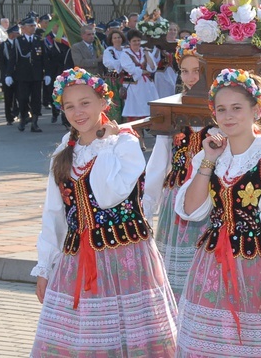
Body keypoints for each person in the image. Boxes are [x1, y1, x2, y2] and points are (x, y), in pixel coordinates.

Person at [30, 68, 178, 356]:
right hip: (77, 259)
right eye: (69, 106)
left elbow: (107, 194)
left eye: (85, 103)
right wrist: (45, 266)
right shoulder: (65, 149)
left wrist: (106, 145)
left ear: (104, 103)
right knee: (84, 339)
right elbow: (54, 213)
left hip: (125, 257)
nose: (78, 112)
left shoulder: (124, 143)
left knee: (127, 338)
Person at [174, 68, 261, 357]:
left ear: (256, 110)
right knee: (211, 344)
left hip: (257, 264)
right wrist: (208, 161)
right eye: (221, 109)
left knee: (254, 343)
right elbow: (190, 210)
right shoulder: (211, 154)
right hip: (211, 264)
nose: (228, 116)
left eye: (237, 108)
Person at [143, 35, 214, 300]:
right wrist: (148, 207)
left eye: (197, 71)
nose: (191, 77)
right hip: (175, 201)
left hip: (210, 201)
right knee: (175, 279)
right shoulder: (172, 109)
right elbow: (159, 161)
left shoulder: (223, 112)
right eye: (185, 71)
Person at [7, 18, 50, 133]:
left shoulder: (39, 40)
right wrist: (9, 74)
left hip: (36, 75)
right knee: (23, 98)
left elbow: (45, 58)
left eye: (34, 25)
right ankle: (23, 117)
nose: (33, 28)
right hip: (22, 75)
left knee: (36, 99)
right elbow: (12, 59)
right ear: (24, 28)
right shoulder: (18, 41)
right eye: (30, 26)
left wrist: (48, 74)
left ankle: (34, 123)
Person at [120, 30, 158, 121]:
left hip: (146, 85)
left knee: (148, 106)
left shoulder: (145, 51)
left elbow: (152, 68)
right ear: (129, 42)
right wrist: (143, 71)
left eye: (138, 40)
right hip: (133, 85)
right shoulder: (125, 53)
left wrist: (146, 54)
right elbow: (130, 69)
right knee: (135, 108)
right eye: (134, 41)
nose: (137, 43)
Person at [102, 28, 127, 123]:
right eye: (115, 38)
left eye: (119, 37)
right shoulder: (108, 51)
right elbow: (108, 63)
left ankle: (126, 121)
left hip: (125, 78)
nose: (117, 39)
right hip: (113, 79)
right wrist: (122, 62)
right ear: (111, 40)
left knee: (126, 101)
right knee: (115, 102)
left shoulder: (126, 50)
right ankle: (115, 122)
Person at [0, 25, 20, 125]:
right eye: (17, 33)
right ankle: (9, 117)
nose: (19, 34)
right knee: (8, 97)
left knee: (19, 96)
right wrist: (7, 75)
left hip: (18, 76)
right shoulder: (2, 46)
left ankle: (16, 113)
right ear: (11, 34)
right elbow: (1, 63)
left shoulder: (19, 44)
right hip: (7, 76)